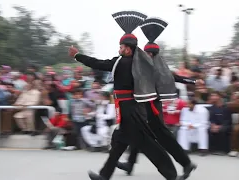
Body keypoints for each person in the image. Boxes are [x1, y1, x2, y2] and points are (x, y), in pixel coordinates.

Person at [69, 11, 181, 180]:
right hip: (130, 108)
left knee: (145, 145)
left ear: (128, 49)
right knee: (121, 142)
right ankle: (105, 175)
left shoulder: (122, 62)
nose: (119, 49)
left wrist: (77, 56)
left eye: (121, 46)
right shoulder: (138, 63)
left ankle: (170, 174)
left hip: (130, 110)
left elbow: (97, 63)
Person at [117, 17, 196, 178]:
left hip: (152, 106)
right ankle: (130, 164)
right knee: (139, 132)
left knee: (162, 136)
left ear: (152, 54)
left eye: (147, 52)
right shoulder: (144, 65)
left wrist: (190, 80)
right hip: (144, 104)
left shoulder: (154, 66)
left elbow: (172, 77)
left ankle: (186, 163)